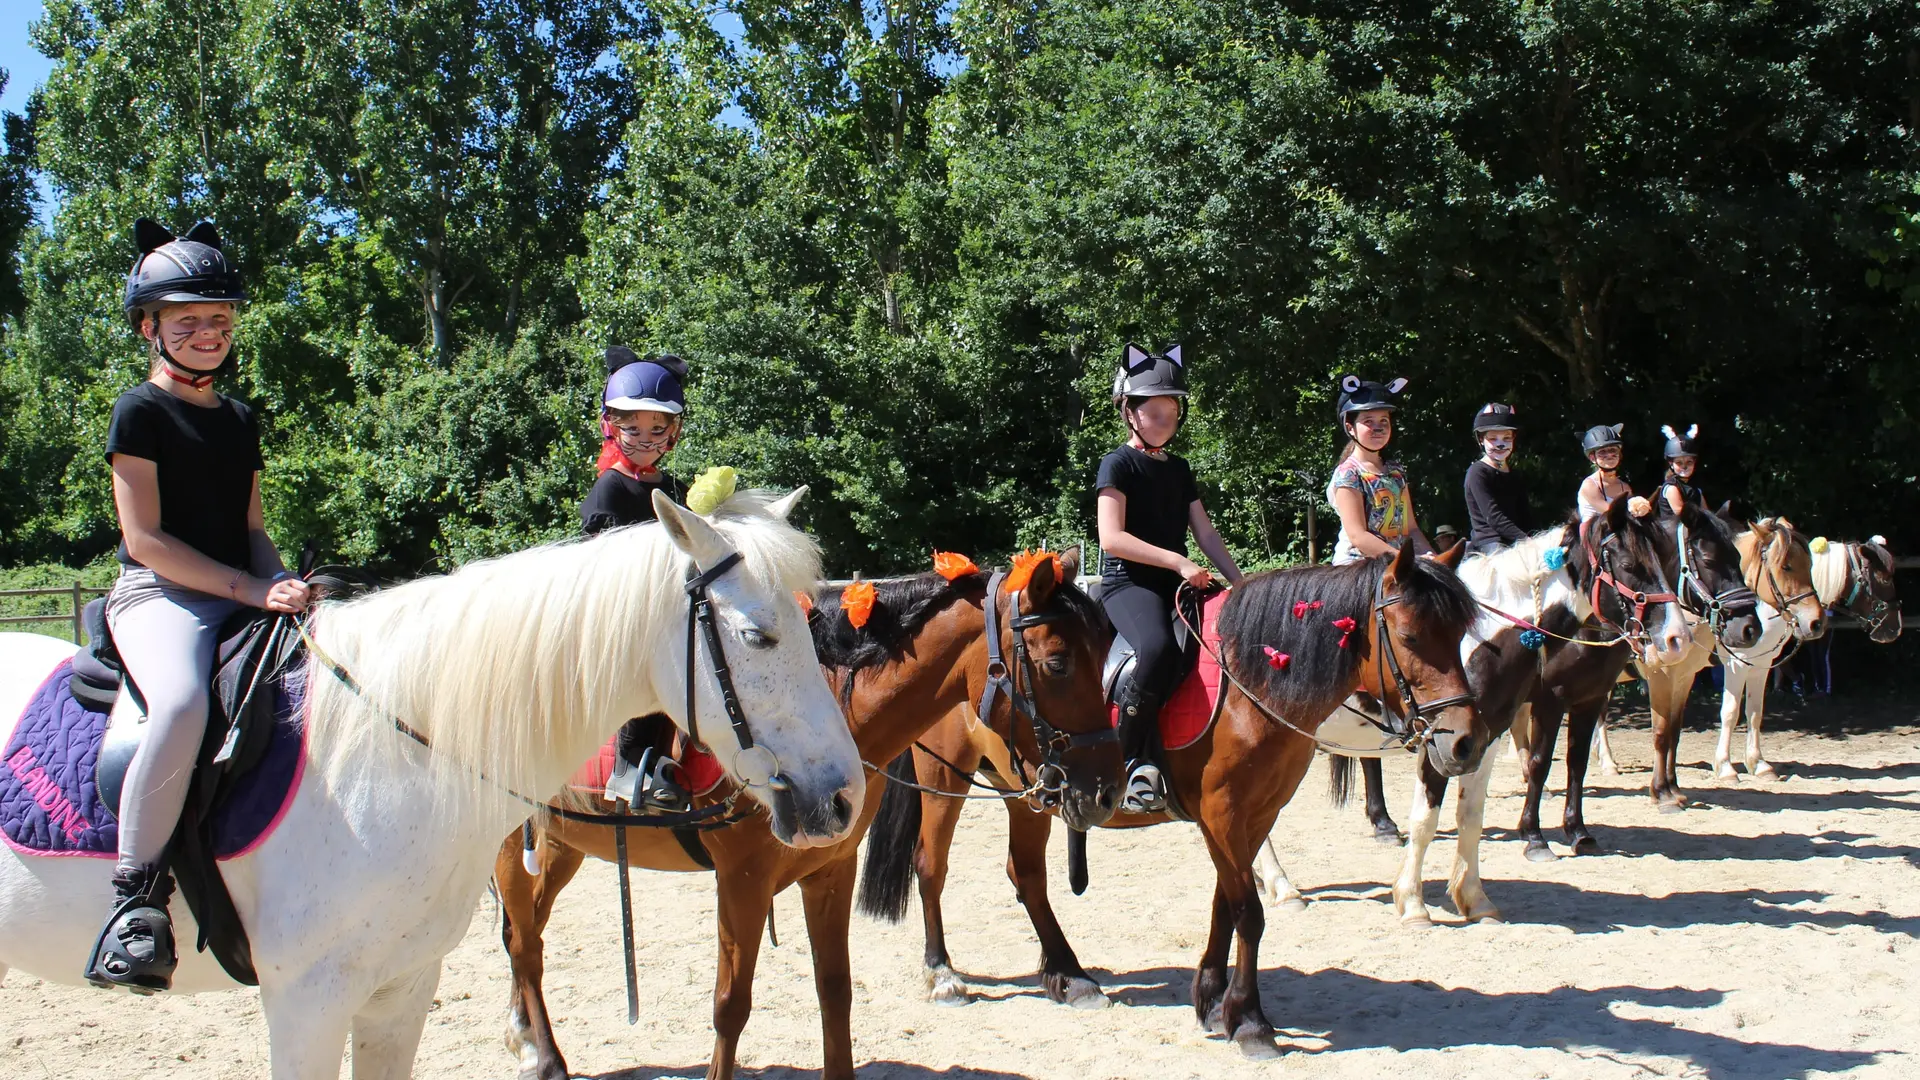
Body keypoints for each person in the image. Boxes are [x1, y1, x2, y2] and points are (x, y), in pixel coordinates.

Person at [86, 220, 312, 992]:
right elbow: (144, 539)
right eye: (187, 319)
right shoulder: (138, 414)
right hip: (161, 597)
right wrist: (251, 589)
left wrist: (287, 587)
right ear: (149, 327)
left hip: (236, 591)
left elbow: (251, 530)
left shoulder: (240, 418)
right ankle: (134, 897)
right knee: (181, 703)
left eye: (219, 319)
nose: (207, 332)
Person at [1095, 343, 1244, 814]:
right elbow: (1112, 538)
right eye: (1155, 411)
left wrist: (1241, 583)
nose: (1165, 421)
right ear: (1130, 412)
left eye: (1172, 413)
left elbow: (1205, 533)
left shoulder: (1179, 469)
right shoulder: (1116, 464)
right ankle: (1129, 761)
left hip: (1176, 583)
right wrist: (1177, 562)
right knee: (1157, 648)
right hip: (1127, 584)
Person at [582, 346, 691, 810]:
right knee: (655, 662)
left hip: (670, 601)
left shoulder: (671, 487)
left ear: (673, 432)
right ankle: (630, 765)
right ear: (612, 427)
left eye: (657, 429)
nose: (645, 438)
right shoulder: (610, 486)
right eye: (633, 428)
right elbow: (601, 556)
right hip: (624, 606)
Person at [1328, 375, 1431, 565]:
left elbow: (1411, 529)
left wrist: (1433, 559)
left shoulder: (1396, 471)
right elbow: (1358, 536)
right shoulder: (1348, 474)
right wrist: (1405, 560)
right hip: (1358, 568)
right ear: (1350, 428)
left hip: (1397, 565)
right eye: (1368, 421)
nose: (1379, 428)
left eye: (1384, 421)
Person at [1462, 402, 1531, 554]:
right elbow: (1493, 517)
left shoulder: (1515, 475)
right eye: (1493, 439)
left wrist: (1535, 538)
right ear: (1481, 440)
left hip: (1517, 540)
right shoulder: (1477, 473)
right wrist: (1526, 541)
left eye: (1506, 438)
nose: (1500, 444)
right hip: (1490, 542)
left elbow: (1525, 514)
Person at [1576, 424, 1632, 522]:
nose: (1609, 455)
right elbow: (1612, 513)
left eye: (1613, 450)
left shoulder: (1625, 487)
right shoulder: (1590, 485)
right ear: (1592, 458)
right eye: (1602, 452)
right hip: (1593, 533)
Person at [1657, 423, 1706, 518]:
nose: (1684, 467)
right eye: (1679, 463)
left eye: (1689, 462)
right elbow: (1683, 515)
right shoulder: (1671, 487)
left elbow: (1706, 512)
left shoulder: (1696, 488)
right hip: (1674, 530)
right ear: (1671, 464)